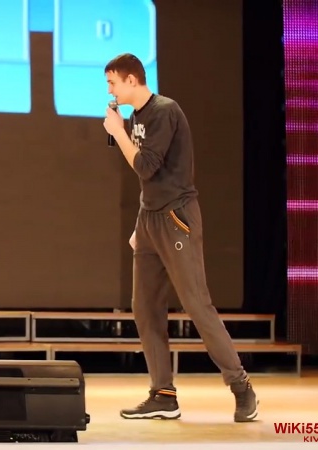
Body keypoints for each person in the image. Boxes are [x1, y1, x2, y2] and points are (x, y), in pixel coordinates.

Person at [101, 53, 258, 423]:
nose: (109, 90)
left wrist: (118, 132)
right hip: (150, 219)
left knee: (197, 305)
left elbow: (145, 166)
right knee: (145, 308)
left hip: (176, 218)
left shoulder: (164, 111)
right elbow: (149, 181)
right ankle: (163, 394)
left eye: (112, 83)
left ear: (131, 80)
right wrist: (141, 226)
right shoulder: (136, 117)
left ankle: (241, 386)